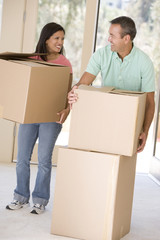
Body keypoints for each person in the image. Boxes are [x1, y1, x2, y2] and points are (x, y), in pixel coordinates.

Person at [6, 22, 72, 214]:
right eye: (56, 38)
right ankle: (20, 197)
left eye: (62, 39)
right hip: (30, 115)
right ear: (46, 39)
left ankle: (40, 200)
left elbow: (67, 91)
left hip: (51, 117)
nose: (60, 42)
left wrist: (67, 109)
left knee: (44, 160)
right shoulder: (32, 60)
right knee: (22, 158)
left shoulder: (64, 63)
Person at [68, 16, 155, 153]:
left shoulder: (144, 62)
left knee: (122, 165)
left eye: (112, 36)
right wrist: (75, 92)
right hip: (105, 117)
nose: (109, 39)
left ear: (126, 38)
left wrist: (145, 131)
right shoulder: (101, 55)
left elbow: (150, 102)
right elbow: (82, 84)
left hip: (130, 123)